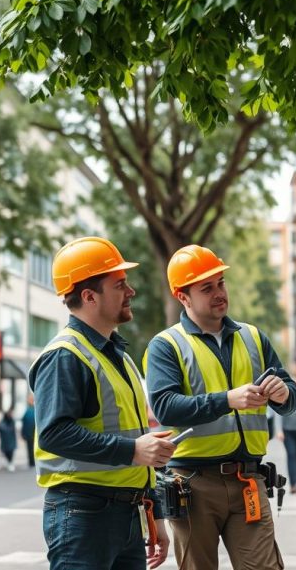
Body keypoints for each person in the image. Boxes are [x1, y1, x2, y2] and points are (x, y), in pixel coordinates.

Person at [144, 244, 296, 570]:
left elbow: (292, 393)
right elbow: (166, 406)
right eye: (207, 288)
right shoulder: (166, 345)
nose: (219, 293)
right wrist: (228, 400)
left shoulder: (254, 337)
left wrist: (283, 394)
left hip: (248, 480)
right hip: (193, 485)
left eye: (221, 283)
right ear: (182, 297)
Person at [30, 236, 174, 570]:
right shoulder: (65, 356)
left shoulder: (118, 357)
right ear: (90, 296)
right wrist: (133, 451)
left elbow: (136, 439)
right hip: (83, 514)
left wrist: (155, 513)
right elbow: (53, 434)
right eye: (120, 285)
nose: (131, 292)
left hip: (127, 513)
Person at [21, 394, 36, 468]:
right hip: (30, 434)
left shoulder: (33, 410)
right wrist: (23, 433)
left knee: (32, 448)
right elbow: (24, 423)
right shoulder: (29, 411)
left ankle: (32, 462)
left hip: (33, 434)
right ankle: (31, 462)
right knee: (30, 449)